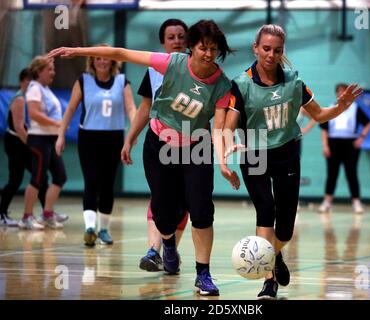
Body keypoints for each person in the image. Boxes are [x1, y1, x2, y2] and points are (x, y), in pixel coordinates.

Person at [48, 19, 233, 296]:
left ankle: (203, 274)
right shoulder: (171, 63)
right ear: (192, 48)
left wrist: (223, 163)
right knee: (162, 211)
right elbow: (122, 54)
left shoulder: (221, 84)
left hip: (196, 147)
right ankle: (167, 246)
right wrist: (78, 51)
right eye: (203, 48)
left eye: (213, 49)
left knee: (202, 211)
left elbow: (217, 129)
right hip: (160, 144)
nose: (208, 54)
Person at [220, 24, 363, 299]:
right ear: (255, 48)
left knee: (285, 228)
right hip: (255, 155)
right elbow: (228, 125)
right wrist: (227, 152)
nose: (271, 55)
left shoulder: (294, 82)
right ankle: (268, 281)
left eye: (277, 50)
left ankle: (275, 254)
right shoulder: (241, 84)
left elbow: (319, 115)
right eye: (266, 49)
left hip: (286, 154)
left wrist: (341, 107)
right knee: (265, 209)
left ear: (282, 52)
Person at [55, 44, 137, 246]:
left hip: (114, 137)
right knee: (91, 180)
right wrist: (60, 134)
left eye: (105, 58)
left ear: (112, 61)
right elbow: (71, 108)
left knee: (107, 184)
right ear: (92, 61)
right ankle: (89, 228)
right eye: (98, 58)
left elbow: (131, 108)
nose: (102, 61)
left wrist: (133, 133)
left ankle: (104, 229)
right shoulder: (84, 81)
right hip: (89, 137)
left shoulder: (122, 81)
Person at [137, 19, 190, 272]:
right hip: (159, 139)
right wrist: (129, 137)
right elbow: (145, 107)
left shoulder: (199, 66)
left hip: (191, 141)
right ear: (163, 42)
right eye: (171, 37)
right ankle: (153, 251)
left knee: (184, 201)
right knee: (160, 195)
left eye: (181, 36)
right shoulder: (153, 68)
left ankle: (171, 253)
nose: (177, 41)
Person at [0, 69, 69, 227]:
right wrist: (30, 144)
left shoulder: (34, 96)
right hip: (17, 142)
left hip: (25, 142)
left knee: (41, 177)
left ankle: (47, 212)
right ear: (24, 81)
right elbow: (19, 127)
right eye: (29, 82)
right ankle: (3, 213)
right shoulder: (19, 99)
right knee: (16, 179)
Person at [18, 55, 67, 230]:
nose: (53, 72)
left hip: (50, 139)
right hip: (39, 139)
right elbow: (34, 114)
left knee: (60, 176)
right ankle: (26, 217)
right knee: (37, 178)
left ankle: (47, 214)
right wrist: (57, 124)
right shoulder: (34, 88)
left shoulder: (46, 89)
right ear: (39, 71)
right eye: (49, 69)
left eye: (53, 68)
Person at [318, 83, 370, 214]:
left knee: (351, 173)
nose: (341, 94)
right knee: (332, 174)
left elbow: (368, 123)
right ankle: (327, 202)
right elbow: (324, 130)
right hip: (333, 144)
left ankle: (356, 202)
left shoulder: (355, 108)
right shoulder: (331, 108)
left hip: (350, 145)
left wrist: (362, 137)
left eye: (344, 91)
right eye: (339, 92)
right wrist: (325, 145)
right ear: (336, 94)